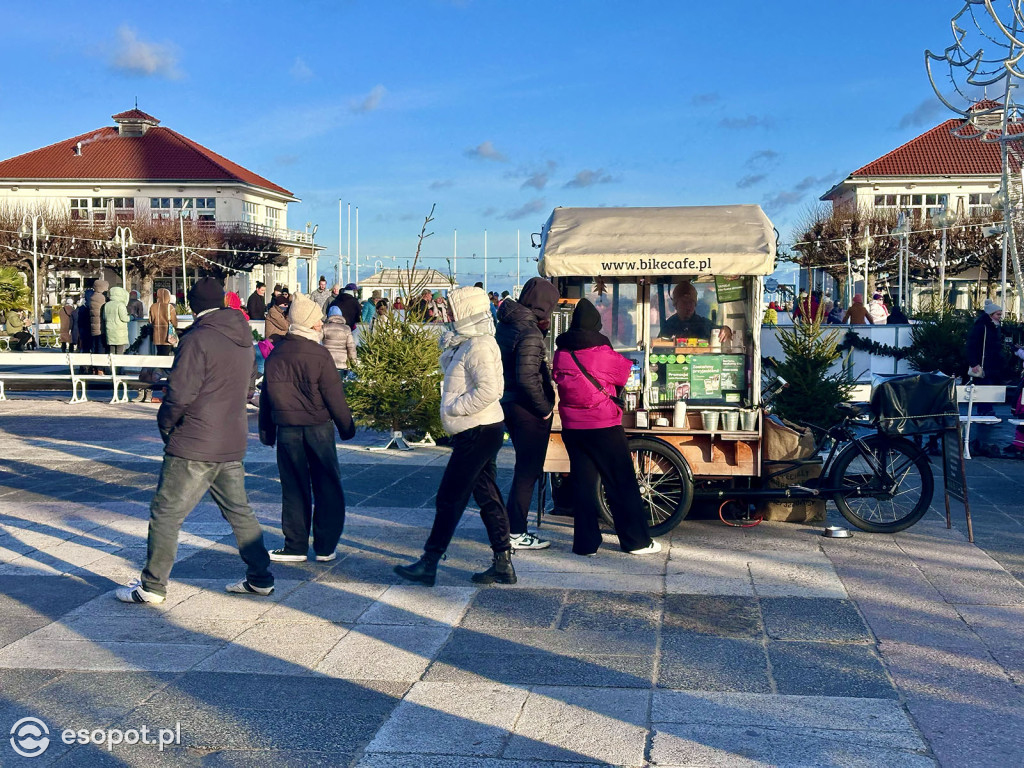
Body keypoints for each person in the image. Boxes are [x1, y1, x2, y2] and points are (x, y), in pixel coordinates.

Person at [117, 278, 274, 604]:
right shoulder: (244, 337)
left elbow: (179, 394)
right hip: (231, 439)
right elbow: (248, 389)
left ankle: (152, 586)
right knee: (240, 512)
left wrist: (166, 425)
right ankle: (261, 577)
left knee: (166, 513)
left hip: (194, 442)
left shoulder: (197, 339)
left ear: (192, 304)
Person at [394, 286, 516, 587]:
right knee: (486, 495)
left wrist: (454, 408)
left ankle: (430, 562)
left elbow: (489, 390)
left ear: (466, 314)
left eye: (452, 311)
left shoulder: (480, 346)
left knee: (450, 496)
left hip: (477, 429)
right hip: (479, 429)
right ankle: (502, 562)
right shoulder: (468, 343)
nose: (446, 315)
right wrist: (450, 348)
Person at [552, 299, 659, 556]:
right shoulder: (602, 352)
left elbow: (557, 378)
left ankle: (586, 544)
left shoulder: (561, 352)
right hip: (603, 425)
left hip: (572, 428)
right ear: (596, 324)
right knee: (620, 482)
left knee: (583, 484)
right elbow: (625, 373)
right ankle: (636, 541)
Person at [259, 294, 356, 563]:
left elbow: (266, 397)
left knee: (294, 488)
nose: (321, 324)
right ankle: (325, 546)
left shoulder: (276, 354)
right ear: (310, 324)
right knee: (327, 486)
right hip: (318, 430)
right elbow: (334, 396)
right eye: (318, 320)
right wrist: (346, 427)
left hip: (287, 431)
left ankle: (295, 546)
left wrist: (266, 432)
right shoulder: (320, 355)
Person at [496, 277, 560, 551]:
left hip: (509, 401)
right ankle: (516, 531)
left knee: (524, 468)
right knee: (528, 470)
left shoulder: (508, 323)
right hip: (527, 408)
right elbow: (527, 377)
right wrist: (544, 409)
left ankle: (512, 527)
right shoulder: (530, 332)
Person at [966, 299, 1006, 457]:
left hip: (989, 364)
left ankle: (985, 410)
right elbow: (972, 345)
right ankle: (985, 410)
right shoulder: (983, 327)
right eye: (998, 314)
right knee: (985, 386)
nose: (1000, 316)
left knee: (987, 386)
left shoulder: (990, 326)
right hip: (984, 364)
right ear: (991, 314)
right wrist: (974, 363)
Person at [323, 305, 357, 372]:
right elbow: (351, 347)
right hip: (342, 364)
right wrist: (353, 363)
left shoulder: (324, 328)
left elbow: (318, 344)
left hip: (326, 363)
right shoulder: (346, 329)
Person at [149, 288, 178, 356]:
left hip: (156, 334)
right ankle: (164, 366)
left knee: (159, 352)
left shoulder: (153, 306)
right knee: (166, 353)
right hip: (167, 334)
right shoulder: (170, 307)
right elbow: (174, 322)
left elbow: (150, 320)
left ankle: (159, 366)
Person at [102, 286, 130, 354]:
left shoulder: (107, 305)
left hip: (110, 331)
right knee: (119, 351)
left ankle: (112, 364)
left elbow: (104, 317)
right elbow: (124, 318)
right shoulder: (120, 305)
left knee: (111, 351)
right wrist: (130, 317)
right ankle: (118, 364)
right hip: (119, 332)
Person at [89, 279, 109, 355]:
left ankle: (95, 365)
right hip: (101, 326)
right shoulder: (101, 298)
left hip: (94, 326)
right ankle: (100, 365)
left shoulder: (93, 297)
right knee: (101, 347)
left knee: (95, 346)